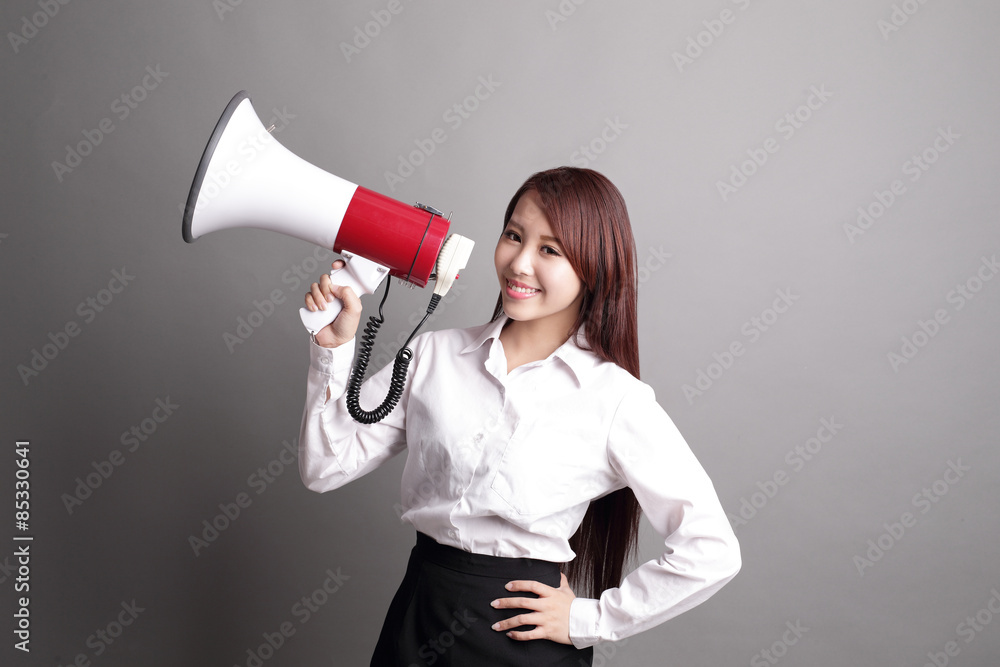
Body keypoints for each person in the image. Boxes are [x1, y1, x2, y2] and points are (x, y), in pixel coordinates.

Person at [299, 167, 741, 666]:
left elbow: (712, 549)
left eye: (550, 250)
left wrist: (587, 622)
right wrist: (332, 349)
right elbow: (323, 468)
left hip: (522, 642)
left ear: (593, 267)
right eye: (513, 235)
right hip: (418, 614)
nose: (520, 262)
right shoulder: (432, 356)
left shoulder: (615, 398)